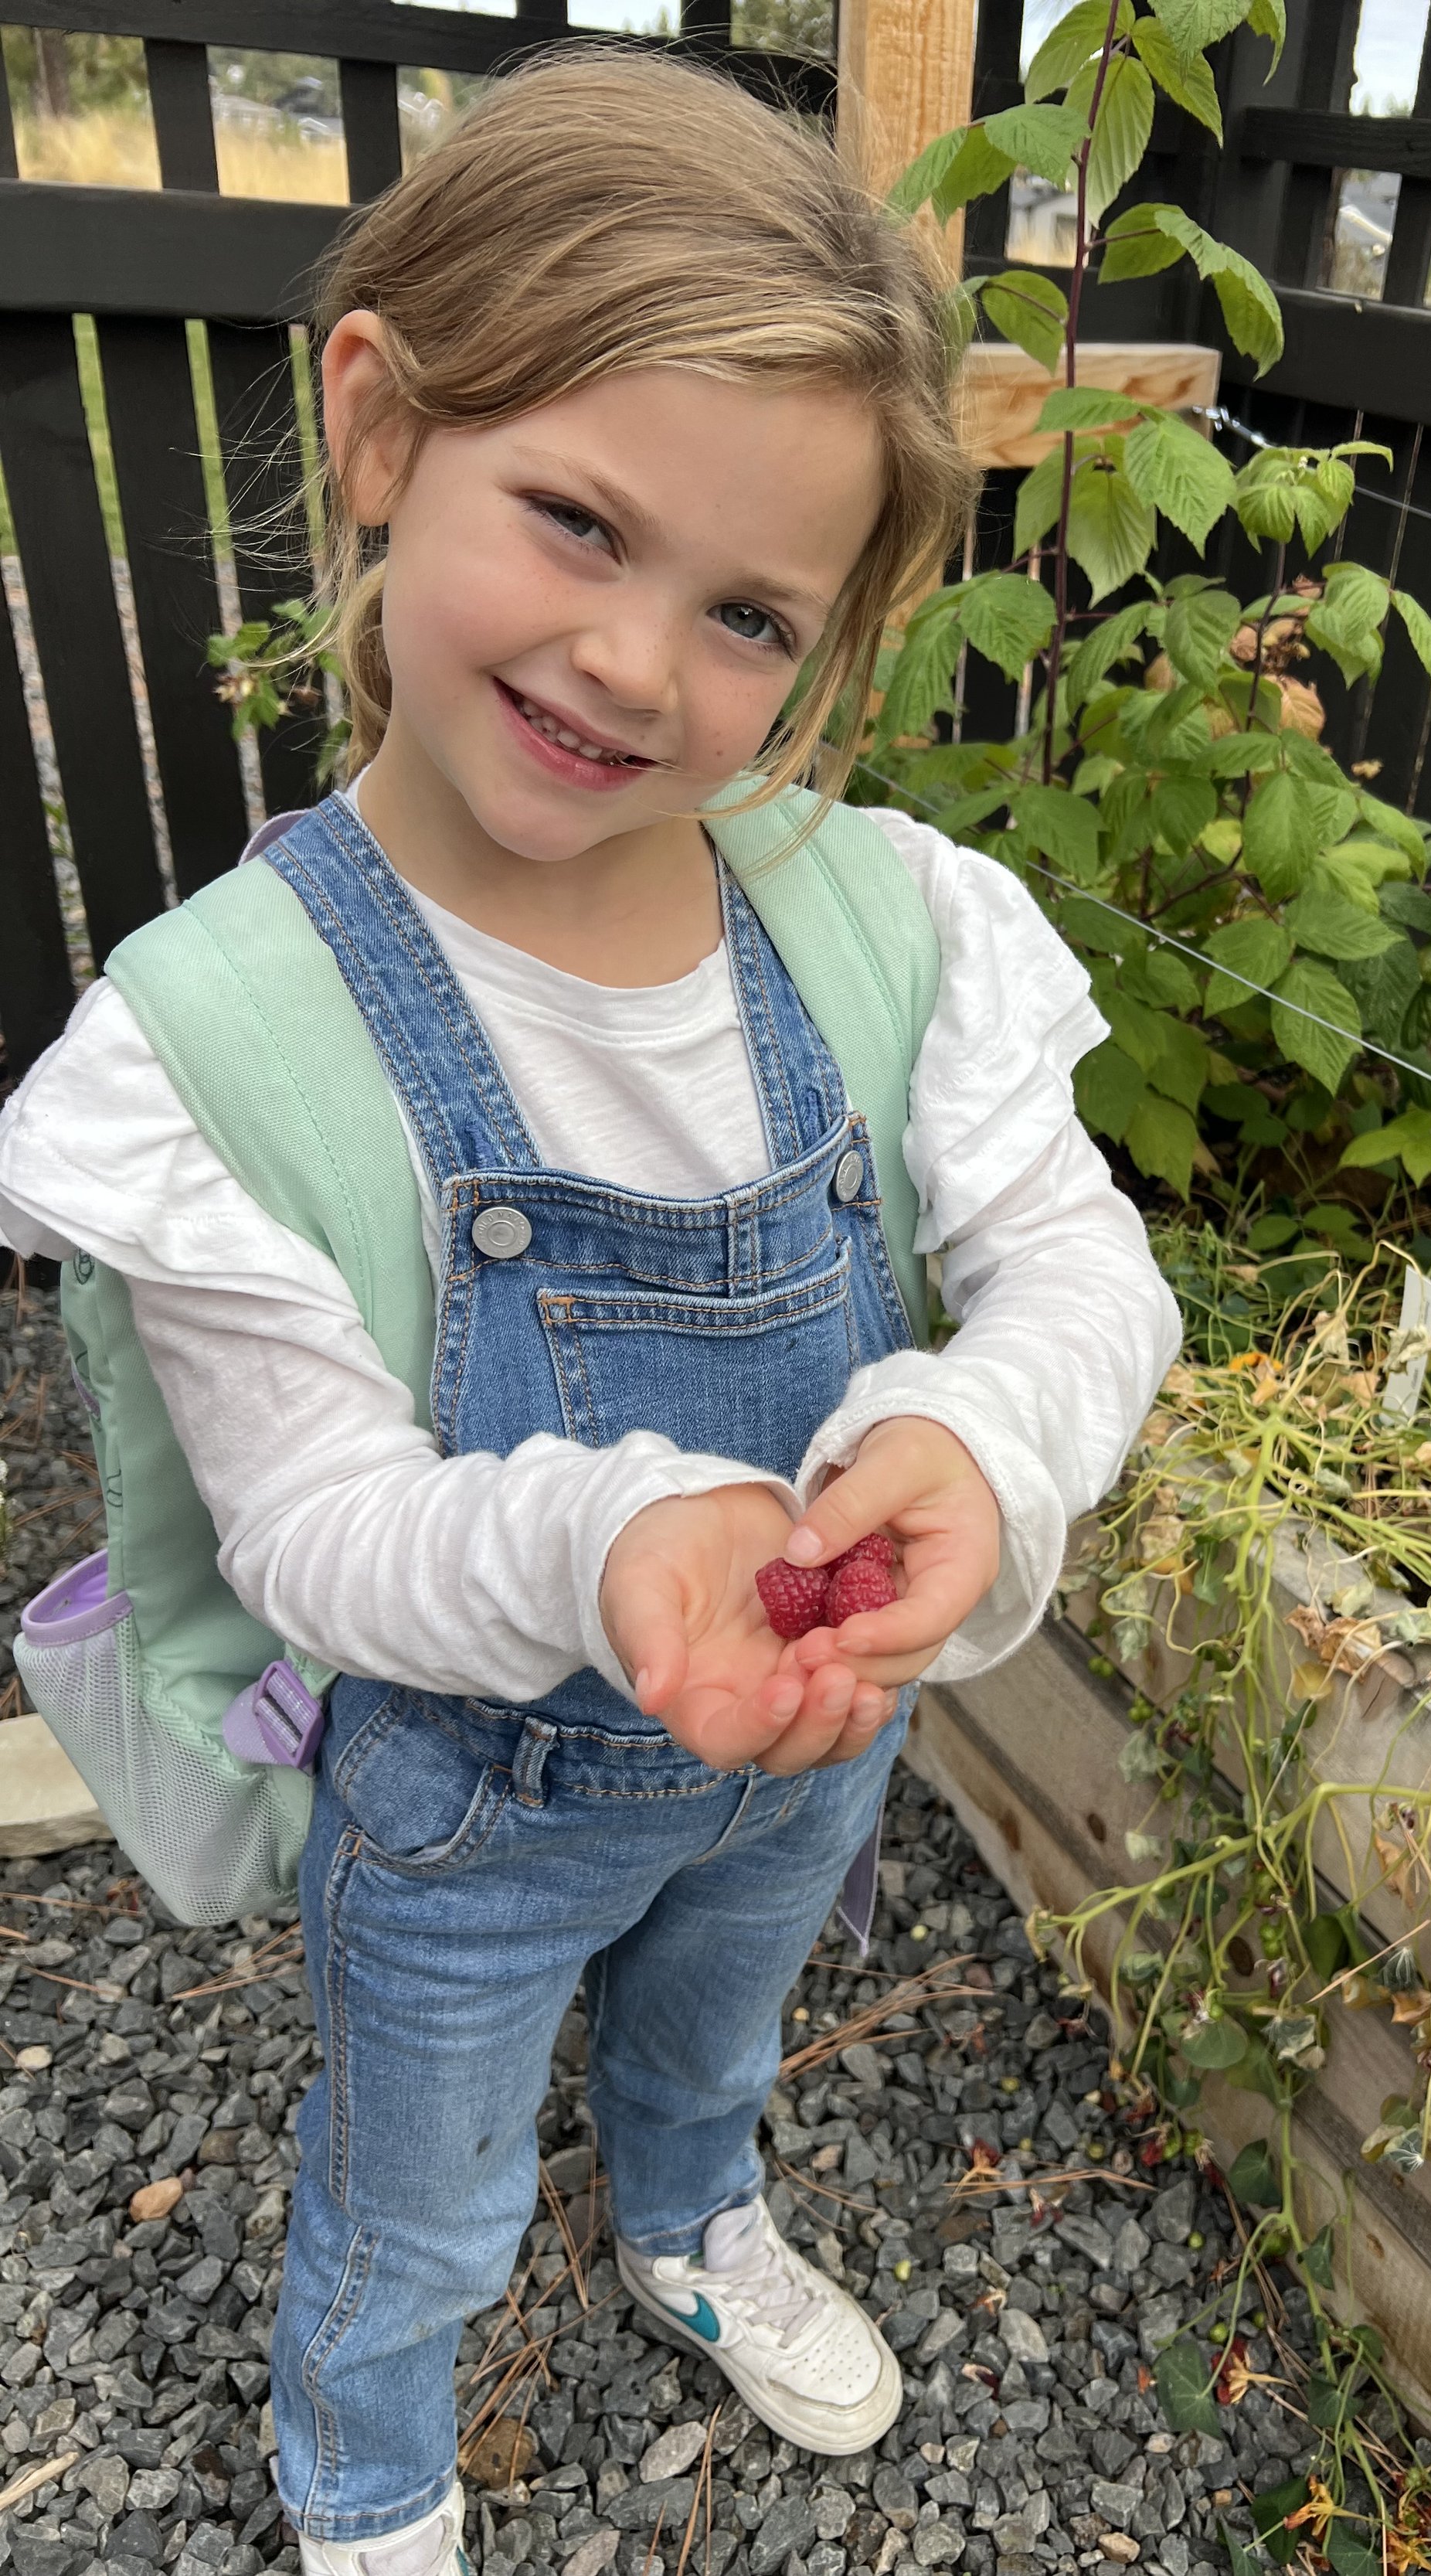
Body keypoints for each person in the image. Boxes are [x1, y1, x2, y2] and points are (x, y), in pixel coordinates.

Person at [0, 50, 1178, 2576]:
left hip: (804, 1751)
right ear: (382, 425)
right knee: (412, 2190)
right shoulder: (225, 1042)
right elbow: (316, 1520)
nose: (640, 664)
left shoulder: (887, 929)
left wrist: (981, 1437)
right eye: (577, 521)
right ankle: (366, 2466)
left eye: (748, 613)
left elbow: (1080, 1263)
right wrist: (622, 1536)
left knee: (717, 2031)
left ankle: (685, 2220)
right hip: (462, 1806)